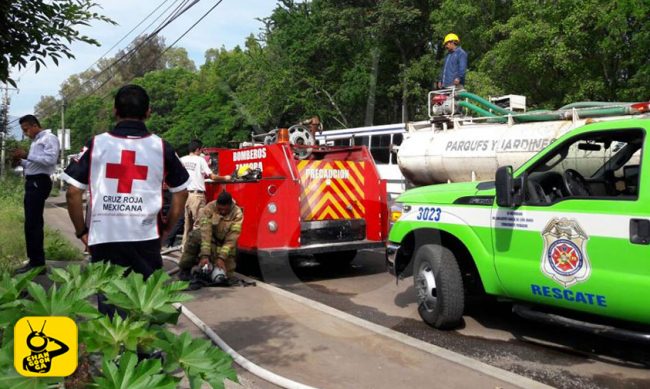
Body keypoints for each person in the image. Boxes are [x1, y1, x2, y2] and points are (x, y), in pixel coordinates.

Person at [62, 84, 189, 316]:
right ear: (149, 112)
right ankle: (144, 351)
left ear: (114, 111)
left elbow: (72, 193)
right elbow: (181, 191)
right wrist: (167, 228)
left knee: (110, 301)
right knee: (146, 303)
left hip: (105, 237)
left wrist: (82, 231)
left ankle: (115, 347)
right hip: (146, 237)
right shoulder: (161, 147)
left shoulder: (96, 144)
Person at [13, 114, 60, 275]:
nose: (26, 133)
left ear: (34, 125)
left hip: (39, 182)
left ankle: (38, 263)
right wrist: (21, 161)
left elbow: (50, 160)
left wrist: (27, 155)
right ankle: (34, 260)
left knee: (33, 224)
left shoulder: (48, 138)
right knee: (31, 223)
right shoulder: (36, 141)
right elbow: (35, 163)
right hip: (33, 180)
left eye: (26, 129)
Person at [178, 191, 243, 282]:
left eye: (225, 210)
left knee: (226, 276)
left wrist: (221, 258)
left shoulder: (237, 213)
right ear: (217, 205)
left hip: (224, 243)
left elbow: (232, 239)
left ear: (230, 205)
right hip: (210, 239)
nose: (222, 212)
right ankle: (185, 269)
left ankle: (212, 264)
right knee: (195, 235)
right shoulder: (209, 208)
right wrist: (205, 255)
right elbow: (205, 232)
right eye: (220, 209)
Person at [180, 139, 231, 248]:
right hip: (197, 196)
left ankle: (184, 248)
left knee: (187, 225)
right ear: (198, 149)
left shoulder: (182, 160)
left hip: (185, 195)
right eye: (201, 150)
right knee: (200, 224)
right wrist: (226, 177)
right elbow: (212, 177)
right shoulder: (200, 160)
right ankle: (196, 251)